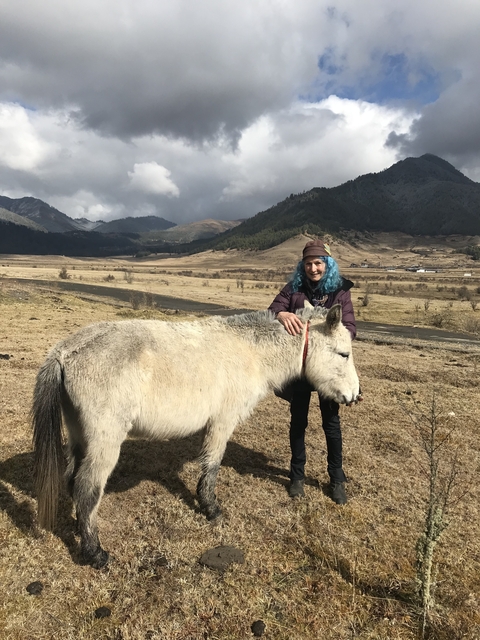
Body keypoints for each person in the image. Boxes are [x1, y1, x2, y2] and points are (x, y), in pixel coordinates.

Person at [268, 238, 356, 505]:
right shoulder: (294, 287)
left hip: (327, 367)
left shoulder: (340, 291)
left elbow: (349, 328)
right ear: (302, 266)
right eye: (308, 263)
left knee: (331, 424)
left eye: (318, 263)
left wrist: (327, 332)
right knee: (298, 421)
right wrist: (281, 315)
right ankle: (297, 477)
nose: (313, 268)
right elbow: (272, 310)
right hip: (301, 367)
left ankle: (337, 479)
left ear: (327, 264)